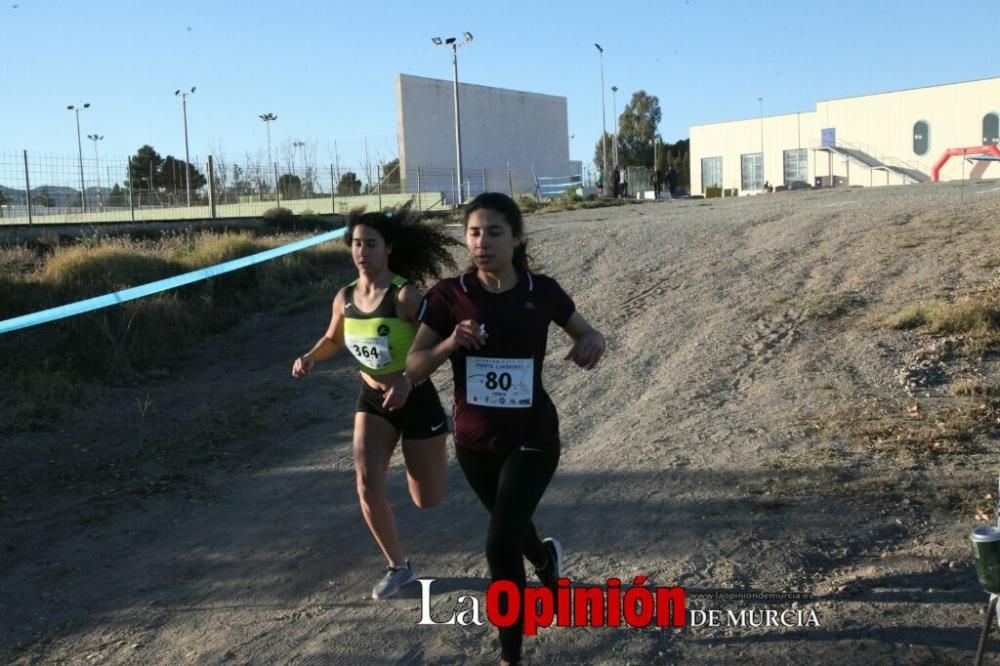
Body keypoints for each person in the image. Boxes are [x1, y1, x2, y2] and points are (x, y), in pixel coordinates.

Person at [406, 192, 605, 666]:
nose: (482, 241)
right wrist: (452, 341)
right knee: (511, 528)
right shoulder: (448, 296)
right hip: (475, 444)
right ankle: (544, 560)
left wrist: (592, 341)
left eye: (494, 232)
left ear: (516, 238)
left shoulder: (542, 291)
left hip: (534, 436)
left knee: (498, 543)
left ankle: (510, 656)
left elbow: (587, 332)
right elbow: (414, 365)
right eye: (474, 232)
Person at [291, 205, 460, 600]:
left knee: (427, 499)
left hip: (415, 396)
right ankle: (398, 567)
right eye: (355, 243)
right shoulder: (346, 297)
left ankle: (443, 424)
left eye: (370, 243)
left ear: (388, 249)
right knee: (366, 482)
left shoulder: (404, 295)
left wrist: (408, 378)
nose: (362, 251)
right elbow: (334, 338)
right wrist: (311, 357)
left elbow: (436, 341)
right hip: (372, 398)